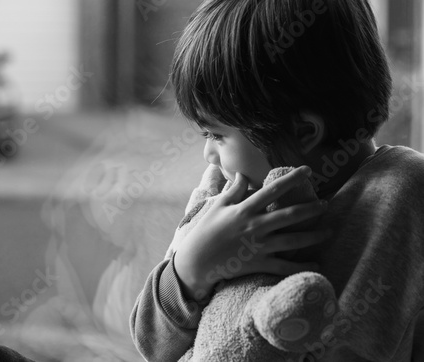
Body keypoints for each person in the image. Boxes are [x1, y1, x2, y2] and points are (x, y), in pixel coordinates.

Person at [129, 0, 424, 361]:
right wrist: (190, 271)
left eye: (217, 136)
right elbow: (153, 347)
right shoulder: (222, 196)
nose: (209, 155)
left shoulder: (407, 196)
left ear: (304, 131)